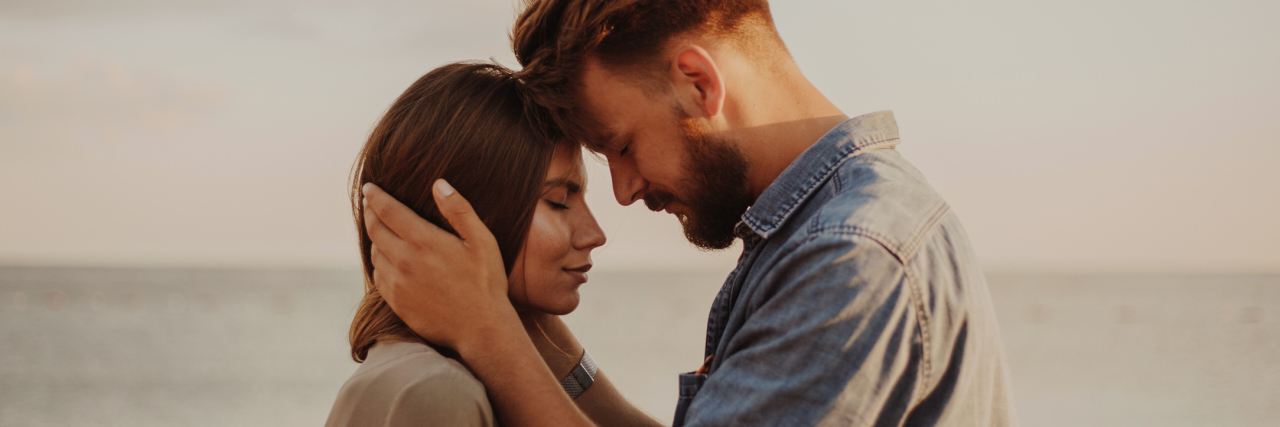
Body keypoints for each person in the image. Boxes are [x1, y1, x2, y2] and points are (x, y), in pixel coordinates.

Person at [361, 0, 1018, 425]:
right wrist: (535, 337)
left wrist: (487, 333)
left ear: (699, 83)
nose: (623, 191)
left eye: (621, 146)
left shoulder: (850, 254)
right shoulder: (841, 222)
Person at [326, 62, 655, 426]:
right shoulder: (434, 392)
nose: (594, 234)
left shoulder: (441, 380)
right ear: (458, 214)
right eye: (559, 202)